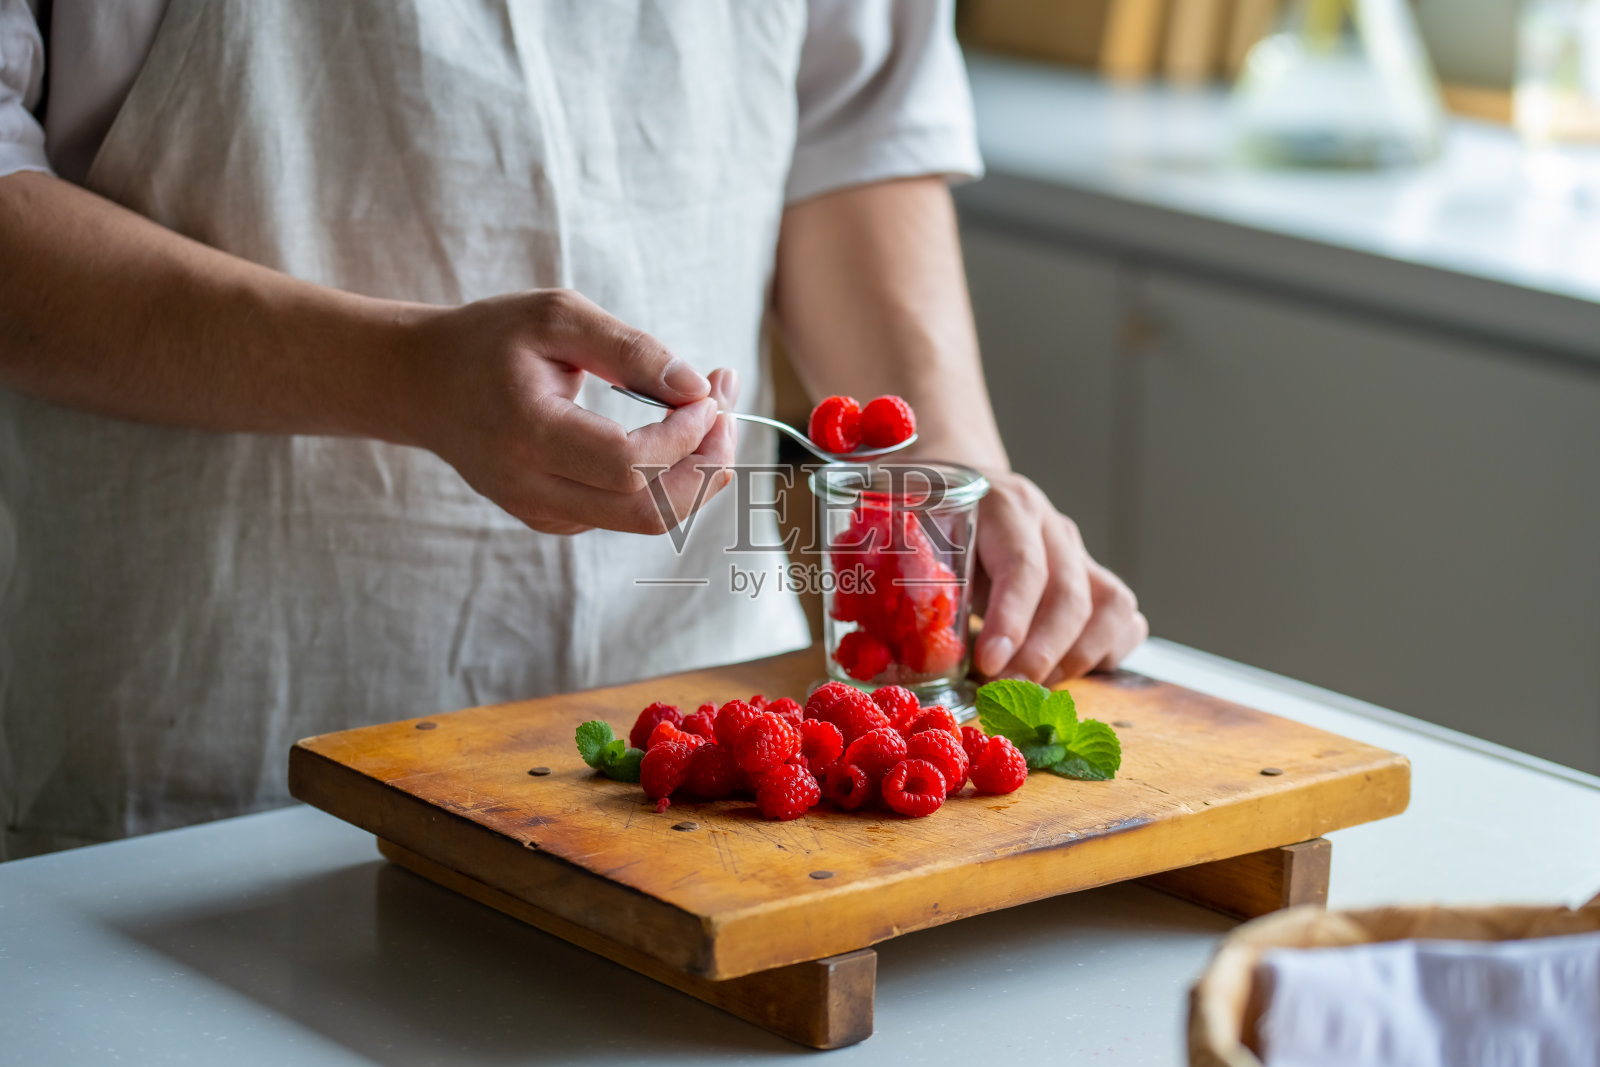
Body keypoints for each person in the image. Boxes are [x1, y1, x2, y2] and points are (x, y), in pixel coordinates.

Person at [0, 0, 1147, 860]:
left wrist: (947, 479)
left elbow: (851, 128)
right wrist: (401, 373)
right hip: (206, 756)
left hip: (706, 749)